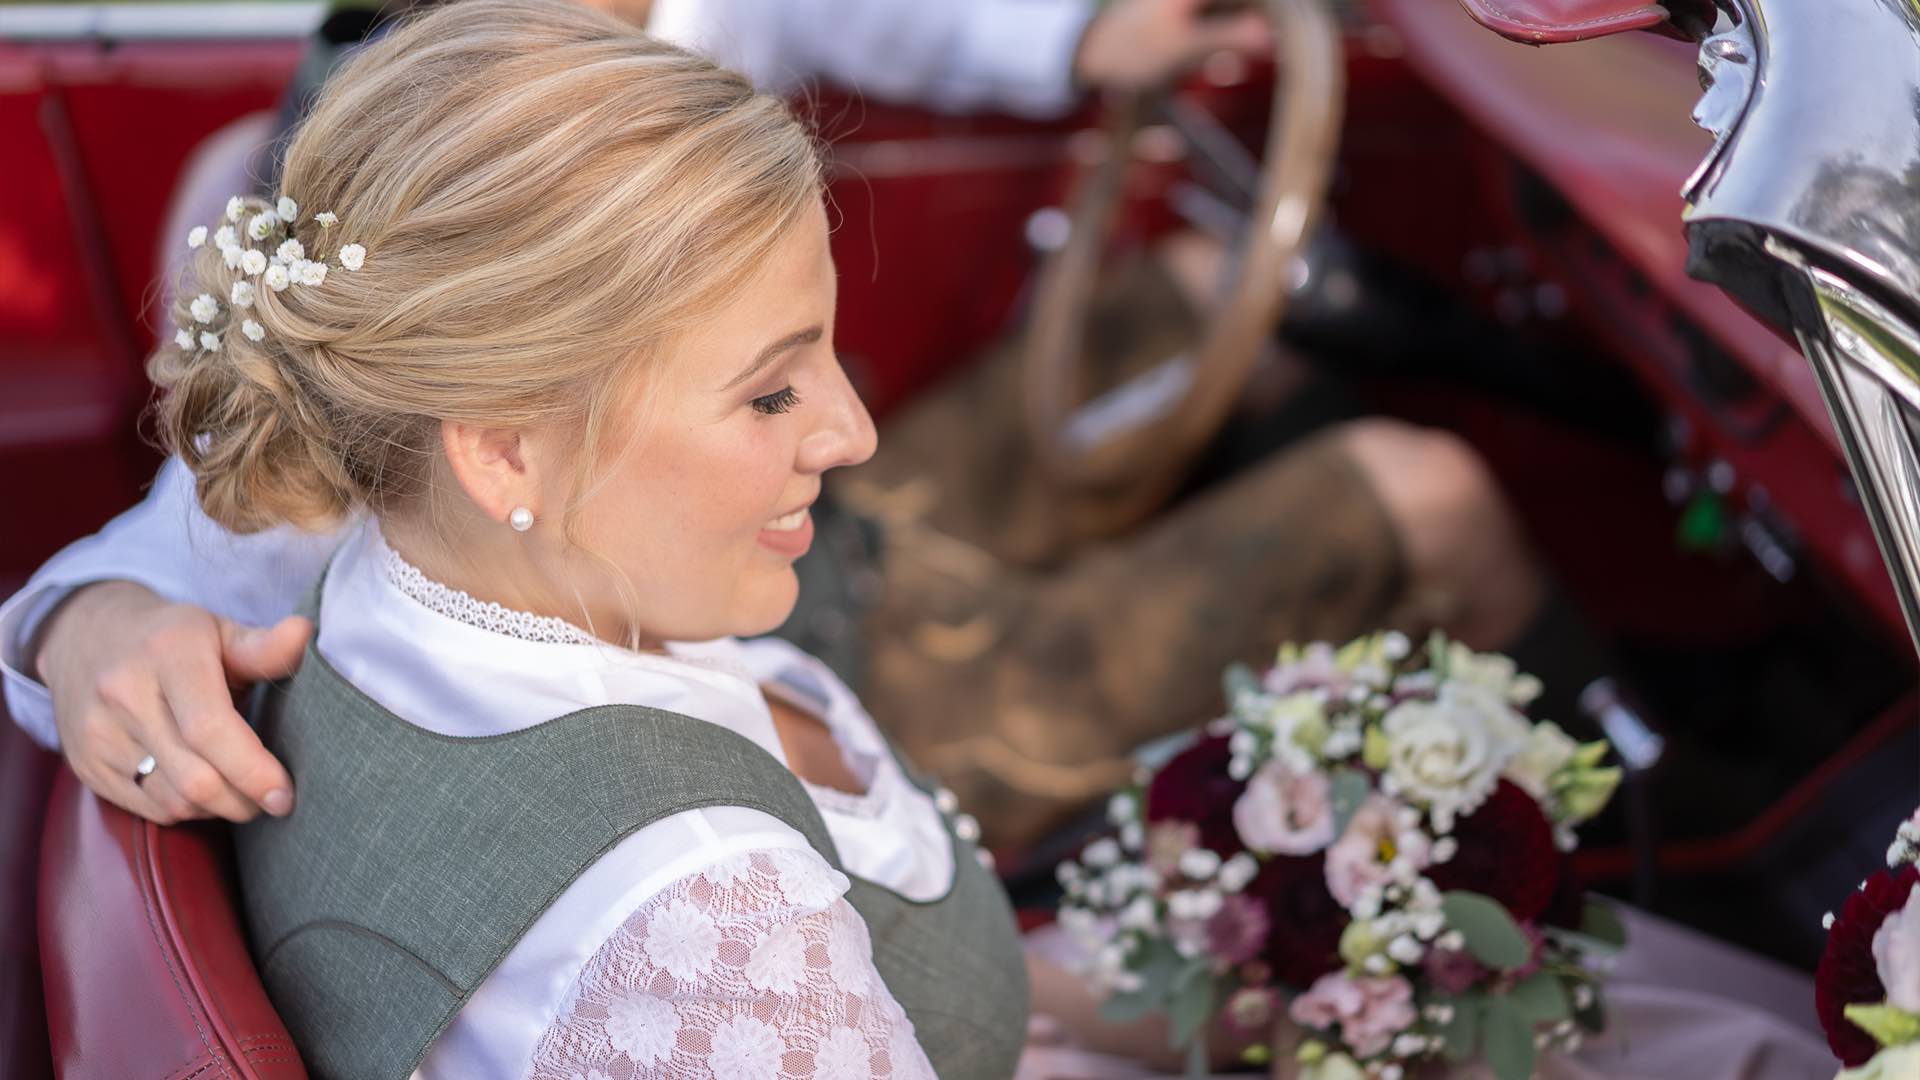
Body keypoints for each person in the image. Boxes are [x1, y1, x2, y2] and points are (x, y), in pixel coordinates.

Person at [2, 0, 1556, 848]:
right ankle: (1665, 825)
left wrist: (1077, 33)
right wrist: (92, 623)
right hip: (823, 677)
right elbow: (197, 544)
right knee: (1427, 495)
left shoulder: (655, 29)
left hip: (794, 536)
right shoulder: (459, 277)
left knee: (1216, 283)